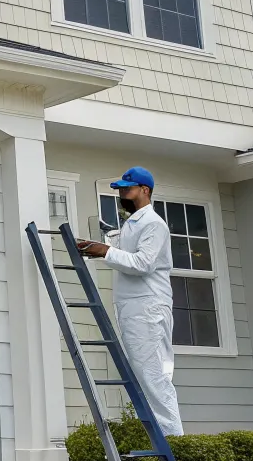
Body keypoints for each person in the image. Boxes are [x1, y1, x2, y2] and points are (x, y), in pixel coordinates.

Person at [76, 166, 183, 436]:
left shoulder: (154, 224)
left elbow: (143, 264)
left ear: (145, 190)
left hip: (148, 306)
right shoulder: (132, 223)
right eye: (120, 189)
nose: (122, 194)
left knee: (153, 375)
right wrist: (98, 248)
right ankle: (152, 435)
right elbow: (124, 257)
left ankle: (172, 440)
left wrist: (105, 250)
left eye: (127, 188)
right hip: (134, 306)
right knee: (142, 375)